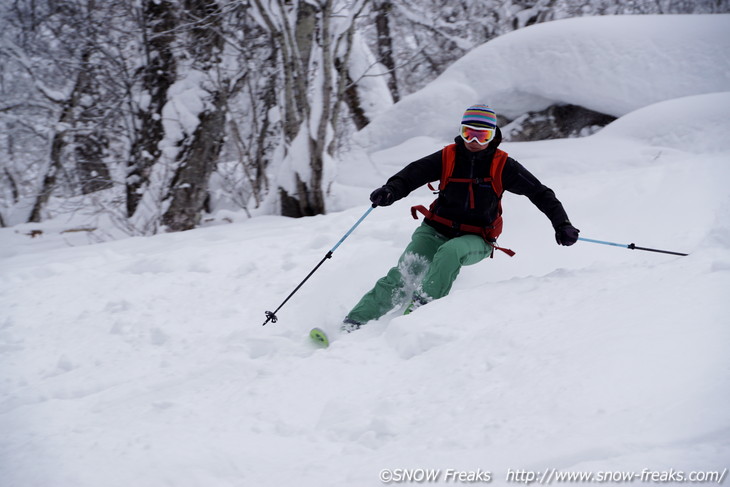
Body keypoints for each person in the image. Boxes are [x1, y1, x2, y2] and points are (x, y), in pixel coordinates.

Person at [342, 104, 579, 331]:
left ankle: (415, 318)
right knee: (404, 272)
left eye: (482, 136)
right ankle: (354, 322)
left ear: (493, 136)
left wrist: (562, 224)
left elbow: (540, 192)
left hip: (477, 238)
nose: (474, 142)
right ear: (461, 132)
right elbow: (412, 174)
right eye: (469, 134)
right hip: (435, 229)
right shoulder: (448, 157)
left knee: (450, 252)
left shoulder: (503, 165)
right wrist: (391, 190)